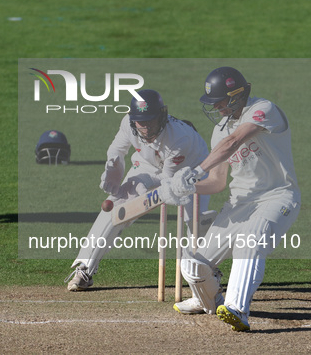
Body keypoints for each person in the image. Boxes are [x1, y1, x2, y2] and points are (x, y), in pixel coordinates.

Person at [161, 66, 301, 331]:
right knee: (193, 264)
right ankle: (209, 302)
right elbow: (217, 182)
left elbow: (235, 141)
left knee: (251, 239)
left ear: (238, 94)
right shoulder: (219, 131)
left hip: (277, 197)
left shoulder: (263, 109)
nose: (218, 108)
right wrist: (184, 187)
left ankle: (237, 309)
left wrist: (195, 170)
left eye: (221, 101)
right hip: (239, 204)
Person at [65, 89, 210, 291]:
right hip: (148, 164)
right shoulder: (128, 123)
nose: (146, 127)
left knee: (194, 222)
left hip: (190, 170)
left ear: (162, 116)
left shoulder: (180, 139)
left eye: (151, 121)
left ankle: (207, 276)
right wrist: (114, 169)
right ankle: (85, 269)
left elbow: (167, 183)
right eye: (141, 122)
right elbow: (117, 150)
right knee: (114, 208)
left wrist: (142, 189)